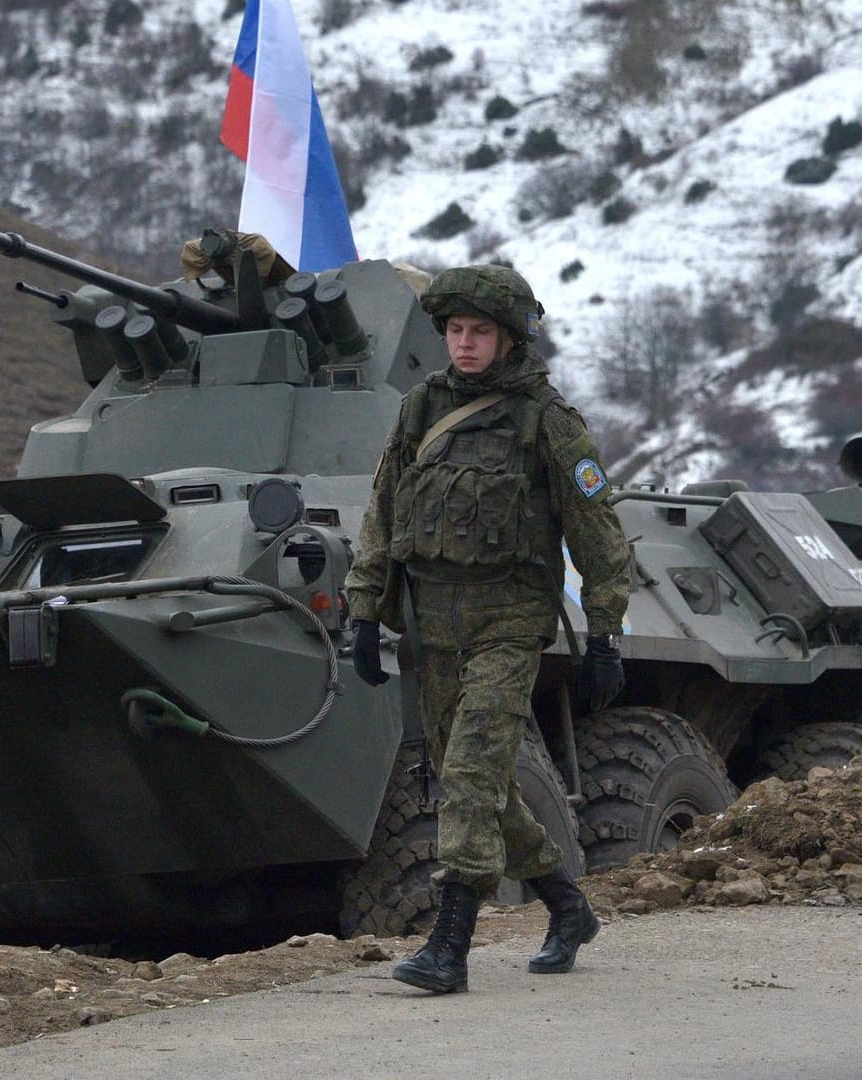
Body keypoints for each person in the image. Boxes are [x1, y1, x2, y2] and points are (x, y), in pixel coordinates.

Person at [343, 264, 631, 994]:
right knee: (478, 782)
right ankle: (568, 908)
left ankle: (450, 945)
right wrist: (365, 613)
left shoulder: (548, 422)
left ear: (509, 339)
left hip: (509, 620)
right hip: (431, 624)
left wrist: (604, 635)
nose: (465, 345)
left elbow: (598, 533)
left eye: (481, 332)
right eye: (455, 331)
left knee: (470, 774)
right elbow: (382, 515)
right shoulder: (418, 411)